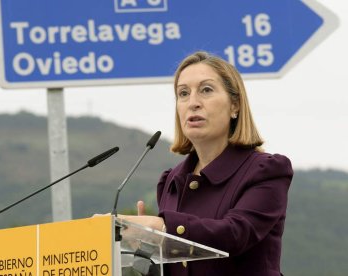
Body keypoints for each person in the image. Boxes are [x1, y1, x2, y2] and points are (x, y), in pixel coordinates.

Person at [120, 51, 293, 276]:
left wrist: (161, 228)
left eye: (206, 90)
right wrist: (146, 247)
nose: (193, 103)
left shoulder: (266, 171)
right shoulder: (172, 181)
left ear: (235, 106)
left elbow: (235, 234)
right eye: (183, 93)